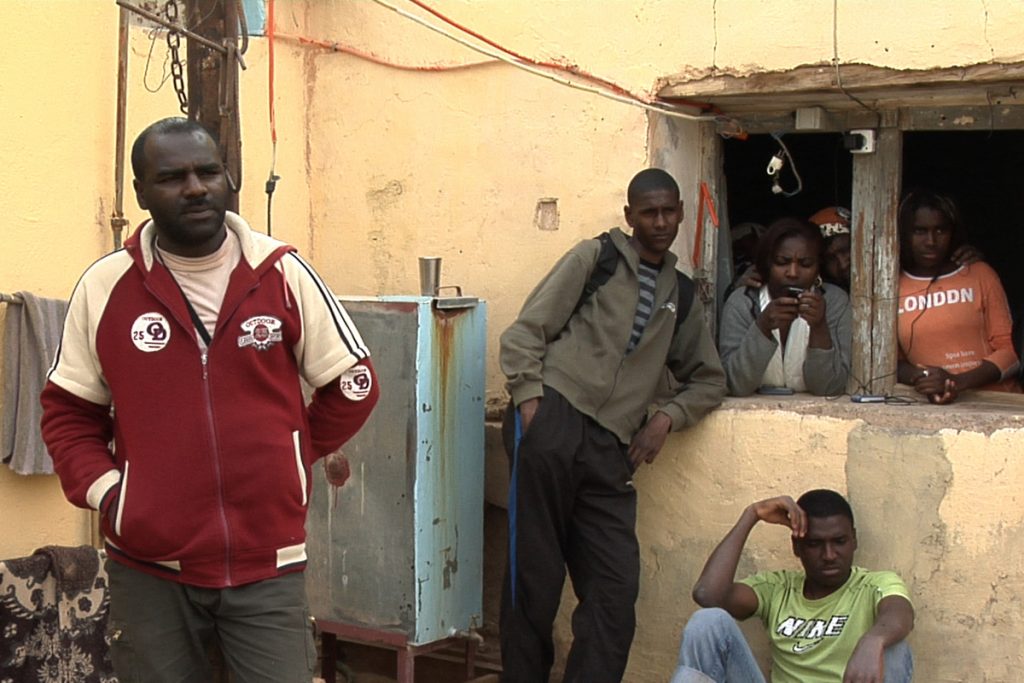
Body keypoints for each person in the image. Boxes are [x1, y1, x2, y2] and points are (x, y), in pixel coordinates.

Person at [40, 117, 380, 682]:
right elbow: (69, 411)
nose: (195, 188)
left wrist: (289, 458)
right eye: (172, 177)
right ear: (141, 192)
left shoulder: (281, 273)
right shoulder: (106, 286)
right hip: (148, 568)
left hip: (267, 566)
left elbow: (353, 383)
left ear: (228, 178)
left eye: (208, 172)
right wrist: (114, 496)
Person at [499, 168, 726, 682]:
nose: (660, 222)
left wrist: (666, 418)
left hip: (611, 449)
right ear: (630, 216)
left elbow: (709, 379)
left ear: (682, 212)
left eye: (669, 211)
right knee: (533, 581)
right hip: (553, 420)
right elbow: (526, 332)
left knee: (614, 592)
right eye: (649, 212)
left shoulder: (680, 294)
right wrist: (532, 403)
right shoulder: (595, 258)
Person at [671, 490, 914, 683]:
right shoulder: (778, 588)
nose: (829, 555)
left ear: (854, 540)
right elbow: (708, 594)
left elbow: (900, 614)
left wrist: (873, 641)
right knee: (708, 621)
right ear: (797, 547)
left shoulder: (874, 584)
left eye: (839, 542)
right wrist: (752, 514)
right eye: (815, 544)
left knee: (894, 649)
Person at [896, 188, 1020, 403]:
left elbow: (1012, 349)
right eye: (919, 231)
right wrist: (925, 379)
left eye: (940, 230)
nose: (931, 241)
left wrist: (957, 382)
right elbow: (889, 362)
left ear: (952, 232)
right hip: (930, 407)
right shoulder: (890, 288)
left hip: (999, 402)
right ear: (903, 234)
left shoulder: (979, 274)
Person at [718, 217, 851, 396]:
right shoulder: (742, 302)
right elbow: (735, 385)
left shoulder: (834, 301)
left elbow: (828, 387)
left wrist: (819, 327)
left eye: (805, 264)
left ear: (818, 268)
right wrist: (763, 327)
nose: (793, 273)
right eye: (782, 262)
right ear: (767, 264)